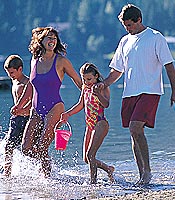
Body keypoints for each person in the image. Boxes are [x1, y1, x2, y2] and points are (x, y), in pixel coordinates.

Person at [97, 4, 175, 186]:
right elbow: (117, 70)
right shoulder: (125, 41)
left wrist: (174, 90)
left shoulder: (155, 37)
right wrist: (104, 84)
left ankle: (147, 172)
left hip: (150, 91)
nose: (128, 29)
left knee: (135, 128)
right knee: (134, 133)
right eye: (125, 26)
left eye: (130, 25)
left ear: (139, 20)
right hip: (129, 92)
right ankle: (142, 176)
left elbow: (169, 67)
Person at [21, 27, 82, 177]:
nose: (52, 40)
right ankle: (47, 171)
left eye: (54, 38)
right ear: (40, 41)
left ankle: (47, 178)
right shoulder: (34, 60)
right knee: (26, 148)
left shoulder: (61, 61)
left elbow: (77, 79)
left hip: (55, 107)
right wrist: (20, 105)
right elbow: (30, 84)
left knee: (42, 147)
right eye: (49, 37)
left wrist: (89, 96)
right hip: (35, 109)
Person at [60, 63, 115, 184]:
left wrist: (98, 93)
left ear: (96, 76)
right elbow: (81, 104)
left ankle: (92, 183)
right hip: (89, 126)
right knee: (86, 158)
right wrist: (67, 114)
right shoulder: (85, 88)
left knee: (91, 155)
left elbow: (106, 104)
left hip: (100, 123)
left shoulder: (102, 87)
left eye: (89, 79)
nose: (87, 82)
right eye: (84, 79)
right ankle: (108, 169)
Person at [3, 55, 33, 177]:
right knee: (9, 146)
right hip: (16, 119)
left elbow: (33, 103)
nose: (10, 75)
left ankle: (42, 168)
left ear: (20, 69)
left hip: (26, 119)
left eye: (12, 72)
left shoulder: (27, 83)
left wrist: (22, 110)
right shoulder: (14, 80)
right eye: (8, 73)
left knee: (29, 148)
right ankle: (7, 173)